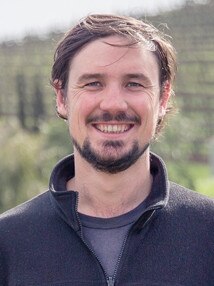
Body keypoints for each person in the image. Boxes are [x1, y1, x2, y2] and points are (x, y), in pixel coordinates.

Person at [0, 14, 213, 286]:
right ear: (62, 97)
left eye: (134, 83)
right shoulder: (8, 242)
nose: (114, 104)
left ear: (163, 97)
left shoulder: (208, 232)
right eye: (93, 83)